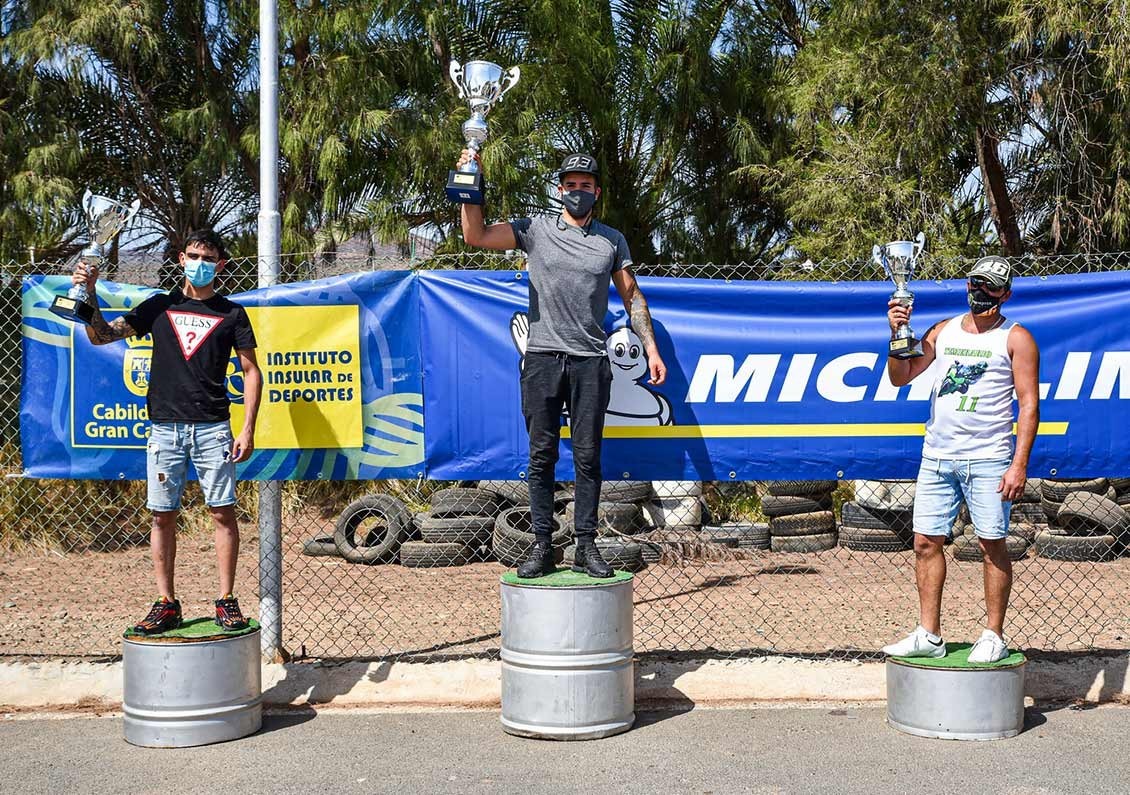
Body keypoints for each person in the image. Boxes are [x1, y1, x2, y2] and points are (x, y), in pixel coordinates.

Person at [457, 150, 667, 578]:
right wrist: (469, 178)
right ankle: (541, 545)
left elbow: (632, 297)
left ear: (597, 192)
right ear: (560, 190)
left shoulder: (612, 240)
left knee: (588, 457)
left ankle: (586, 545)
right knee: (542, 456)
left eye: (585, 186)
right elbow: (475, 236)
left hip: (591, 362)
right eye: (570, 185)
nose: (577, 192)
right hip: (541, 361)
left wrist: (651, 347)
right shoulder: (534, 230)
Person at [74, 229, 263, 634]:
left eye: (208, 258)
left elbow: (251, 372)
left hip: (214, 428)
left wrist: (247, 429)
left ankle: (226, 600)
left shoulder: (232, 314)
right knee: (162, 516)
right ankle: (166, 603)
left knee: (222, 513)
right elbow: (101, 335)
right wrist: (89, 292)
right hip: (163, 429)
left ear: (221, 265)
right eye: (193, 255)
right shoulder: (159, 306)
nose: (200, 263)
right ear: (180, 258)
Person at [881, 255, 1039, 662]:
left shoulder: (1016, 338)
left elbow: (1028, 405)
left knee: (992, 545)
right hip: (937, 456)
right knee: (924, 543)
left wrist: (1018, 464)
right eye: (974, 283)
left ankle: (993, 634)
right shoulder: (943, 331)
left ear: (1005, 293)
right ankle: (929, 634)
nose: (979, 291)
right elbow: (901, 376)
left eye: (989, 286)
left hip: (988, 459)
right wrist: (897, 331)